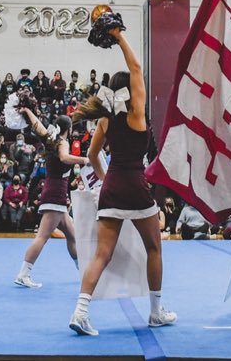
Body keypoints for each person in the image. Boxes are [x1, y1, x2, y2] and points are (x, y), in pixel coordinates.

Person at [69, 20, 175, 336]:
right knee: (154, 248)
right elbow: (138, 68)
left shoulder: (105, 119)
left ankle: (81, 311)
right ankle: (156, 312)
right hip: (136, 186)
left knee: (102, 253)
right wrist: (119, 38)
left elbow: (91, 157)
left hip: (112, 187)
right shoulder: (136, 114)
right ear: (131, 90)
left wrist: (104, 180)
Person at [14, 108, 89, 288]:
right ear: (69, 129)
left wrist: (27, 110)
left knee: (72, 235)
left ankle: (83, 273)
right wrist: (84, 160)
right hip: (55, 194)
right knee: (42, 237)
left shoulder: (51, 138)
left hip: (56, 194)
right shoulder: (62, 143)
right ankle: (23, 274)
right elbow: (64, 157)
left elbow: (36, 124)